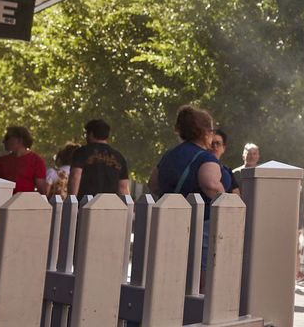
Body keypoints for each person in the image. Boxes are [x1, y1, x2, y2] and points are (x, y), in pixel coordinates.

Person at [147, 105, 232, 281]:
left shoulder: (169, 155)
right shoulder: (204, 157)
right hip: (202, 227)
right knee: (200, 283)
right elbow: (210, 184)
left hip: (171, 223)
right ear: (205, 132)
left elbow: (153, 184)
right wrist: (227, 200)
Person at [69, 119, 130, 196]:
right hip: (110, 205)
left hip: (85, 203)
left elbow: (75, 175)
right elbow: (123, 187)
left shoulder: (81, 152)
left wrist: (72, 200)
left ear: (91, 133)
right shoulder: (119, 157)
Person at [0, 126, 48, 194]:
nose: (3, 141)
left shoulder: (36, 161)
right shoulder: (1, 161)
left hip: (25, 203)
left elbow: (42, 191)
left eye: (7, 138)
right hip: (0, 203)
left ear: (20, 140)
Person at [212, 128, 240, 194]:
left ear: (223, 148)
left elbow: (236, 196)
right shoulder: (199, 168)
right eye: (211, 143)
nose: (214, 146)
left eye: (218, 143)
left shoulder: (228, 171)